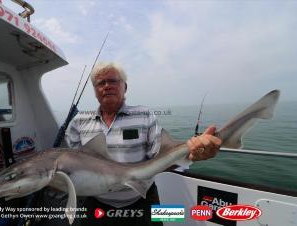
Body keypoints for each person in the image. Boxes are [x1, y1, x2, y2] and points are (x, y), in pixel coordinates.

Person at [67, 62, 222, 226]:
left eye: (113, 81)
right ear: (95, 91)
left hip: (142, 199)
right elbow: (73, 165)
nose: (107, 86)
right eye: (100, 83)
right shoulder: (79, 122)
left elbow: (163, 158)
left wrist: (191, 155)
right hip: (96, 202)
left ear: (124, 87)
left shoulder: (144, 115)